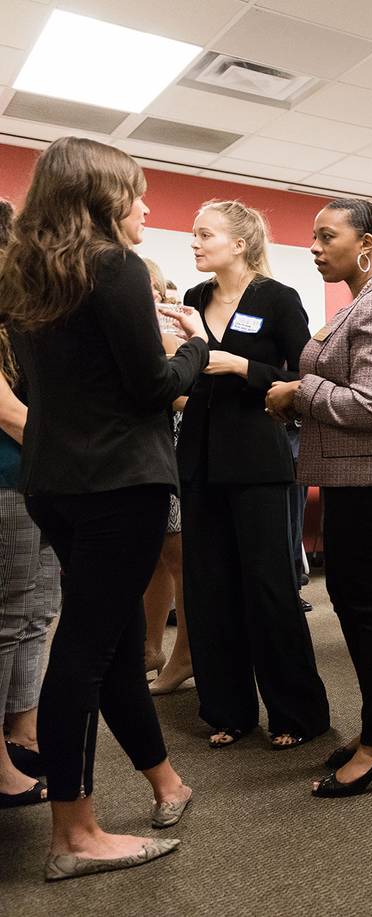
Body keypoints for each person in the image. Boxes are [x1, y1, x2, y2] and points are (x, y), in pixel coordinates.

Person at [1, 136, 202, 878]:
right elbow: (154, 388)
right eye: (137, 192)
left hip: (54, 479)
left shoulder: (25, 276)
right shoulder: (112, 265)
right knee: (84, 653)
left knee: (109, 642)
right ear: (103, 195)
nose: (147, 206)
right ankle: (76, 834)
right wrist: (198, 349)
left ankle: (164, 780)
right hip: (121, 480)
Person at [265, 199, 372, 797]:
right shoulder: (361, 303)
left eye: (325, 236)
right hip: (357, 477)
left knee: (370, 608)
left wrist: (301, 392)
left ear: (366, 244)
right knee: (357, 601)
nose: (314, 247)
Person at [178, 199, 330, 750]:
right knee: (209, 587)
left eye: (205, 233)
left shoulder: (277, 299)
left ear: (239, 244)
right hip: (198, 459)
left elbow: (304, 374)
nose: (194, 242)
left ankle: (296, 712)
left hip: (258, 459)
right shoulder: (194, 300)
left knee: (268, 587)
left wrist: (246, 368)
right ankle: (226, 710)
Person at [0, 198, 59, 809]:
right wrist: (65, 445)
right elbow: (9, 410)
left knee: (38, 611)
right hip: (9, 477)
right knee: (6, 621)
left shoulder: (22, 318)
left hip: (35, 479)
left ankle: (24, 724)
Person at [141, 259, 196, 696]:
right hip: (150, 454)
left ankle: (186, 655)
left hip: (174, 452)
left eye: (155, 288)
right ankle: (150, 647)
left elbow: (182, 397)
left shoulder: (168, 336)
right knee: (158, 557)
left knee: (179, 558)